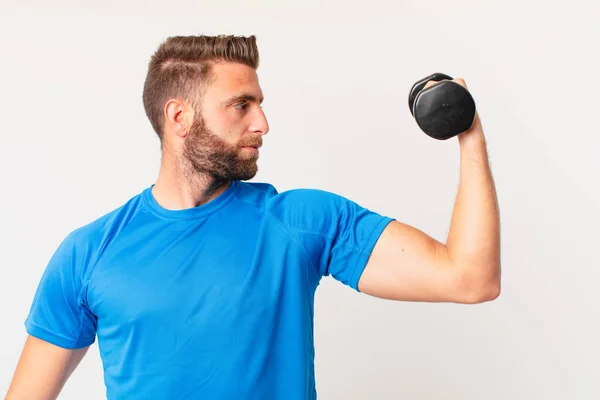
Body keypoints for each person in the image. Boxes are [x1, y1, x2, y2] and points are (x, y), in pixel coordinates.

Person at [5, 34, 501, 400]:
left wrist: (469, 135)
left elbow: (470, 279)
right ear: (179, 117)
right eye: (241, 105)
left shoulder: (300, 221)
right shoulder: (89, 253)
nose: (262, 123)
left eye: (259, 104)